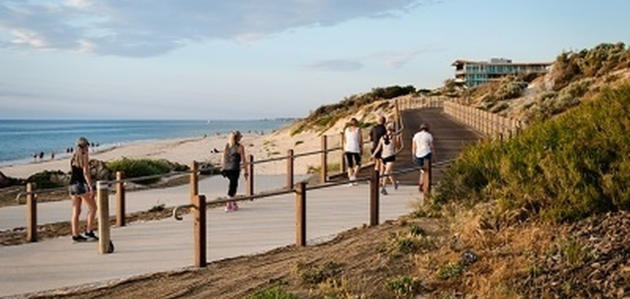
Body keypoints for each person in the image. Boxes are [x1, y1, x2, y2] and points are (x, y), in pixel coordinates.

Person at [68, 137, 98, 242]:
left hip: (71, 185)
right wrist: (91, 187)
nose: (88, 148)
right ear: (84, 146)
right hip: (80, 185)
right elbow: (85, 173)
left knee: (76, 211)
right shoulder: (84, 156)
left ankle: (75, 234)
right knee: (93, 208)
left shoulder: (73, 157)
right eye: (87, 146)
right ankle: (89, 231)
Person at [221, 131, 248, 212]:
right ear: (238, 138)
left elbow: (223, 157)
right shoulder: (240, 147)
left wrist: (222, 167)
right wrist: (246, 171)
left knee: (232, 184)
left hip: (226, 168)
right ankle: (228, 205)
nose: (241, 138)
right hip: (234, 168)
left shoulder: (227, 145)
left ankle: (233, 202)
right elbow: (244, 160)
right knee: (233, 186)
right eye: (240, 136)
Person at [372, 122, 400, 195]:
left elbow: (397, 146)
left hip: (390, 156)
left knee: (386, 172)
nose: (390, 132)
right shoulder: (382, 138)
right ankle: (395, 183)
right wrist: (374, 154)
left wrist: (396, 140)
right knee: (390, 173)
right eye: (389, 130)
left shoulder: (393, 138)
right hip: (383, 156)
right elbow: (379, 147)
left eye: (391, 130)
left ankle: (383, 188)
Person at [412, 123, 436, 192]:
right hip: (426, 153)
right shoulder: (429, 135)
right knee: (426, 171)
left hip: (418, 154)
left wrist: (413, 155)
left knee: (422, 170)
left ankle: (422, 184)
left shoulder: (416, 135)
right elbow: (431, 147)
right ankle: (423, 184)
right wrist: (434, 156)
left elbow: (414, 146)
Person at [343, 118, 363, 184]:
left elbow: (345, 140)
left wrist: (344, 149)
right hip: (355, 148)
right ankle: (354, 176)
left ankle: (350, 179)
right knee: (358, 163)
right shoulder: (358, 129)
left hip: (348, 148)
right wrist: (361, 148)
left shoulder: (346, 130)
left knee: (350, 164)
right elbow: (360, 140)